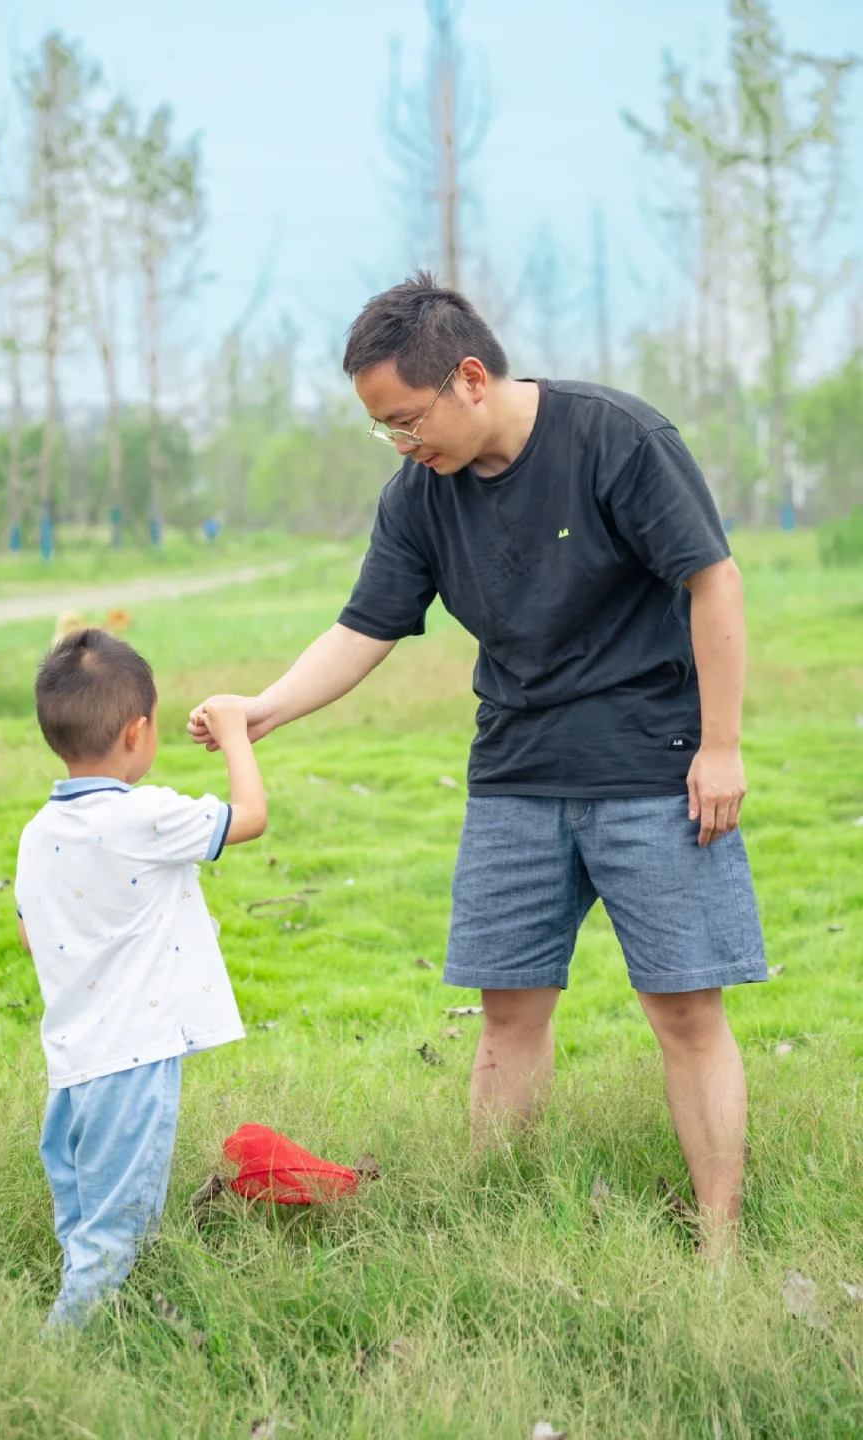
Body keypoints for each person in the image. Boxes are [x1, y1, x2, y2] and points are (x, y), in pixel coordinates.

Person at [188, 271, 765, 1261]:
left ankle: (719, 1245)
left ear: (468, 377)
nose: (403, 445)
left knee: (684, 1010)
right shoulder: (420, 495)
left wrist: (720, 746)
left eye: (408, 420)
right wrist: (264, 709)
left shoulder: (618, 441)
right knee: (507, 1013)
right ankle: (505, 1223)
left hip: (654, 770)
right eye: (384, 430)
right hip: (515, 779)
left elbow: (714, 581)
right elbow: (365, 627)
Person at [16, 628, 266, 1328]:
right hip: (132, 1059)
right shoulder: (148, 814)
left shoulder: (38, 832)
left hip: (72, 1064)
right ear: (138, 732)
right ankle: (61, 1355)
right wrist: (235, 730)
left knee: (83, 1218)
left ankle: (98, 1314)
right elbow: (250, 817)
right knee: (115, 1232)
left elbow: (30, 929)